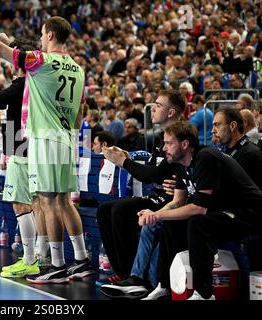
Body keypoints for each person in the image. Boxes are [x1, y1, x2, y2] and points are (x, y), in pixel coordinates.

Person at [0, 13, 93, 282]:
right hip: (65, 139)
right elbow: (80, 111)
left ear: (50, 34)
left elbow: (3, 52)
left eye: (41, 33)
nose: (40, 38)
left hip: (44, 138)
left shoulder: (41, 61)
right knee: (62, 202)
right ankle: (82, 261)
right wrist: (73, 138)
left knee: (47, 202)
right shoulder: (78, 68)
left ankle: (57, 265)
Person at [140, 121, 262, 300]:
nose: (164, 147)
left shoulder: (205, 158)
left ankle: (204, 294)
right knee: (171, 224)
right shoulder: (181, 163)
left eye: (168, 143)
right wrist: (153, 214)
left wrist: (157, 214)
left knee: (199, 223)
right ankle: (164, 285)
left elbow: (199, 208)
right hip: (223, 212)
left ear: (185, 144)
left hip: (249, 212)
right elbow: (178, 201)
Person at [0, 37, 48, 277]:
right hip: (28, 146)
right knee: (37, 203)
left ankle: (29, 259)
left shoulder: (21, 84)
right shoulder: (34, 81)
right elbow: (2, 104)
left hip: (20, 146)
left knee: (21, 203)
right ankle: (41, 254)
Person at [97, 90, 185, 284]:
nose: (153, 108)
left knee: (120, 210)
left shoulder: (180, 136)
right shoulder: (162, 137)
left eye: (158, 105)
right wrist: (126, 157)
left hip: (173, 201)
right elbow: (153, 171)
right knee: (104, 210)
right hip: (160, 195)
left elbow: (153, 175)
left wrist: (124, 163)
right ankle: (123, 272)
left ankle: (133, 277)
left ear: (171, 113)